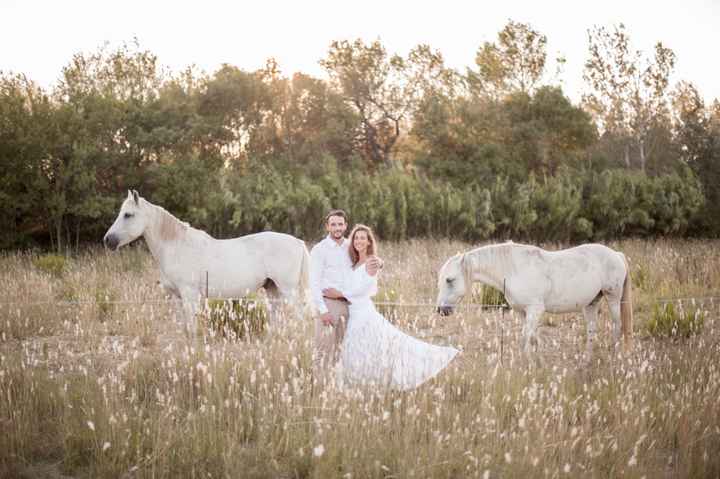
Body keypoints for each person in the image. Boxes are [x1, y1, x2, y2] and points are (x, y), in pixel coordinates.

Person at [323, 224, 459, 391]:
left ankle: (379, 383)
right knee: (359, 351)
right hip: (354, 313)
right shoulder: (353, 263)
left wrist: (338, 294)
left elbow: (364, 289)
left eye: (362, 238)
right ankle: (361, 387)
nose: (359, 241)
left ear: (368, 242)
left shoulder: (371, 262)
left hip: (364, 313)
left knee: (389, 346)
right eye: (356, 238)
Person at [309, 210, 381, 386]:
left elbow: (367, 259)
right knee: (324, 350)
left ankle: (340, 387)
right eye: (333, 224)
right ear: (327, 226)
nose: (337, 228)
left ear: (345, 226)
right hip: (329, 306)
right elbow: (314, 282)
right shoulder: (319, 250)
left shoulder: (351, 246)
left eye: (340, 224)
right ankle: (320, 388)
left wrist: (380, 263)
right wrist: (323, 310)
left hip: (350, 307)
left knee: (344, 350)